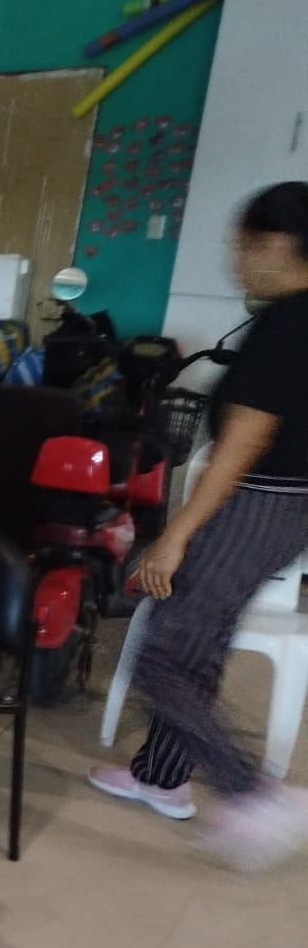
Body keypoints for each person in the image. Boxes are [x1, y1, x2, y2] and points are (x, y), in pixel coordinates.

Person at [88, 181, 308, 870]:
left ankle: (252, 791)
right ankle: (161, 776)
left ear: (279, 244)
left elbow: (243, 442)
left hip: (252, 505)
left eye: (244, 247)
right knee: (200, 639)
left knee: (162, 654)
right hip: (288, 509)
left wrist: (176, 535)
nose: (236, 263)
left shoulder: (288, 324)